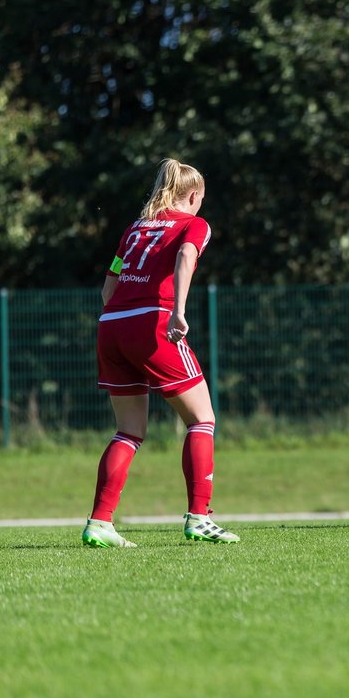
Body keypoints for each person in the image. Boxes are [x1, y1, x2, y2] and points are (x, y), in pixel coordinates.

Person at [82, 157, 238, 548]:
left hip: (113, 325)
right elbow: (186, 256)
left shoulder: (135, 228)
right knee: (202, 419)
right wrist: (179, 312)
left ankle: (99, 521)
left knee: (129, 430)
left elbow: (108, 288)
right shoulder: (194, 225)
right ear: (193, 194)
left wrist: (124, 321)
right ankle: (199, 517)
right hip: (153, 323)